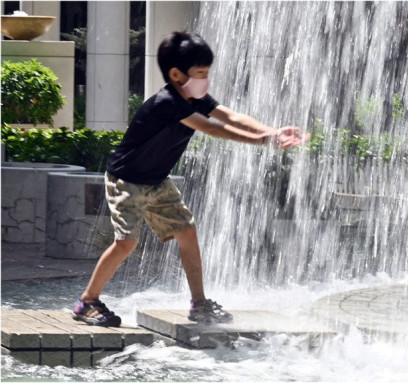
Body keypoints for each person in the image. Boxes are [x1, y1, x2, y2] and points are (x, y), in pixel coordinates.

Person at [72, 31, 310, 327]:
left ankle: (199, 304)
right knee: (126, 243)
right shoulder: (168, 102)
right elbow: (211, 129)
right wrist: (263, 141)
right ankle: (87, 301)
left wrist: (272, 132)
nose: (205, 80)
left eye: (207, 73)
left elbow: (232, 117)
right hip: (127, 180)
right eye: (200, 73)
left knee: (187, 232)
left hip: (157, 180)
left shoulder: (194, 96)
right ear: (176, 74)